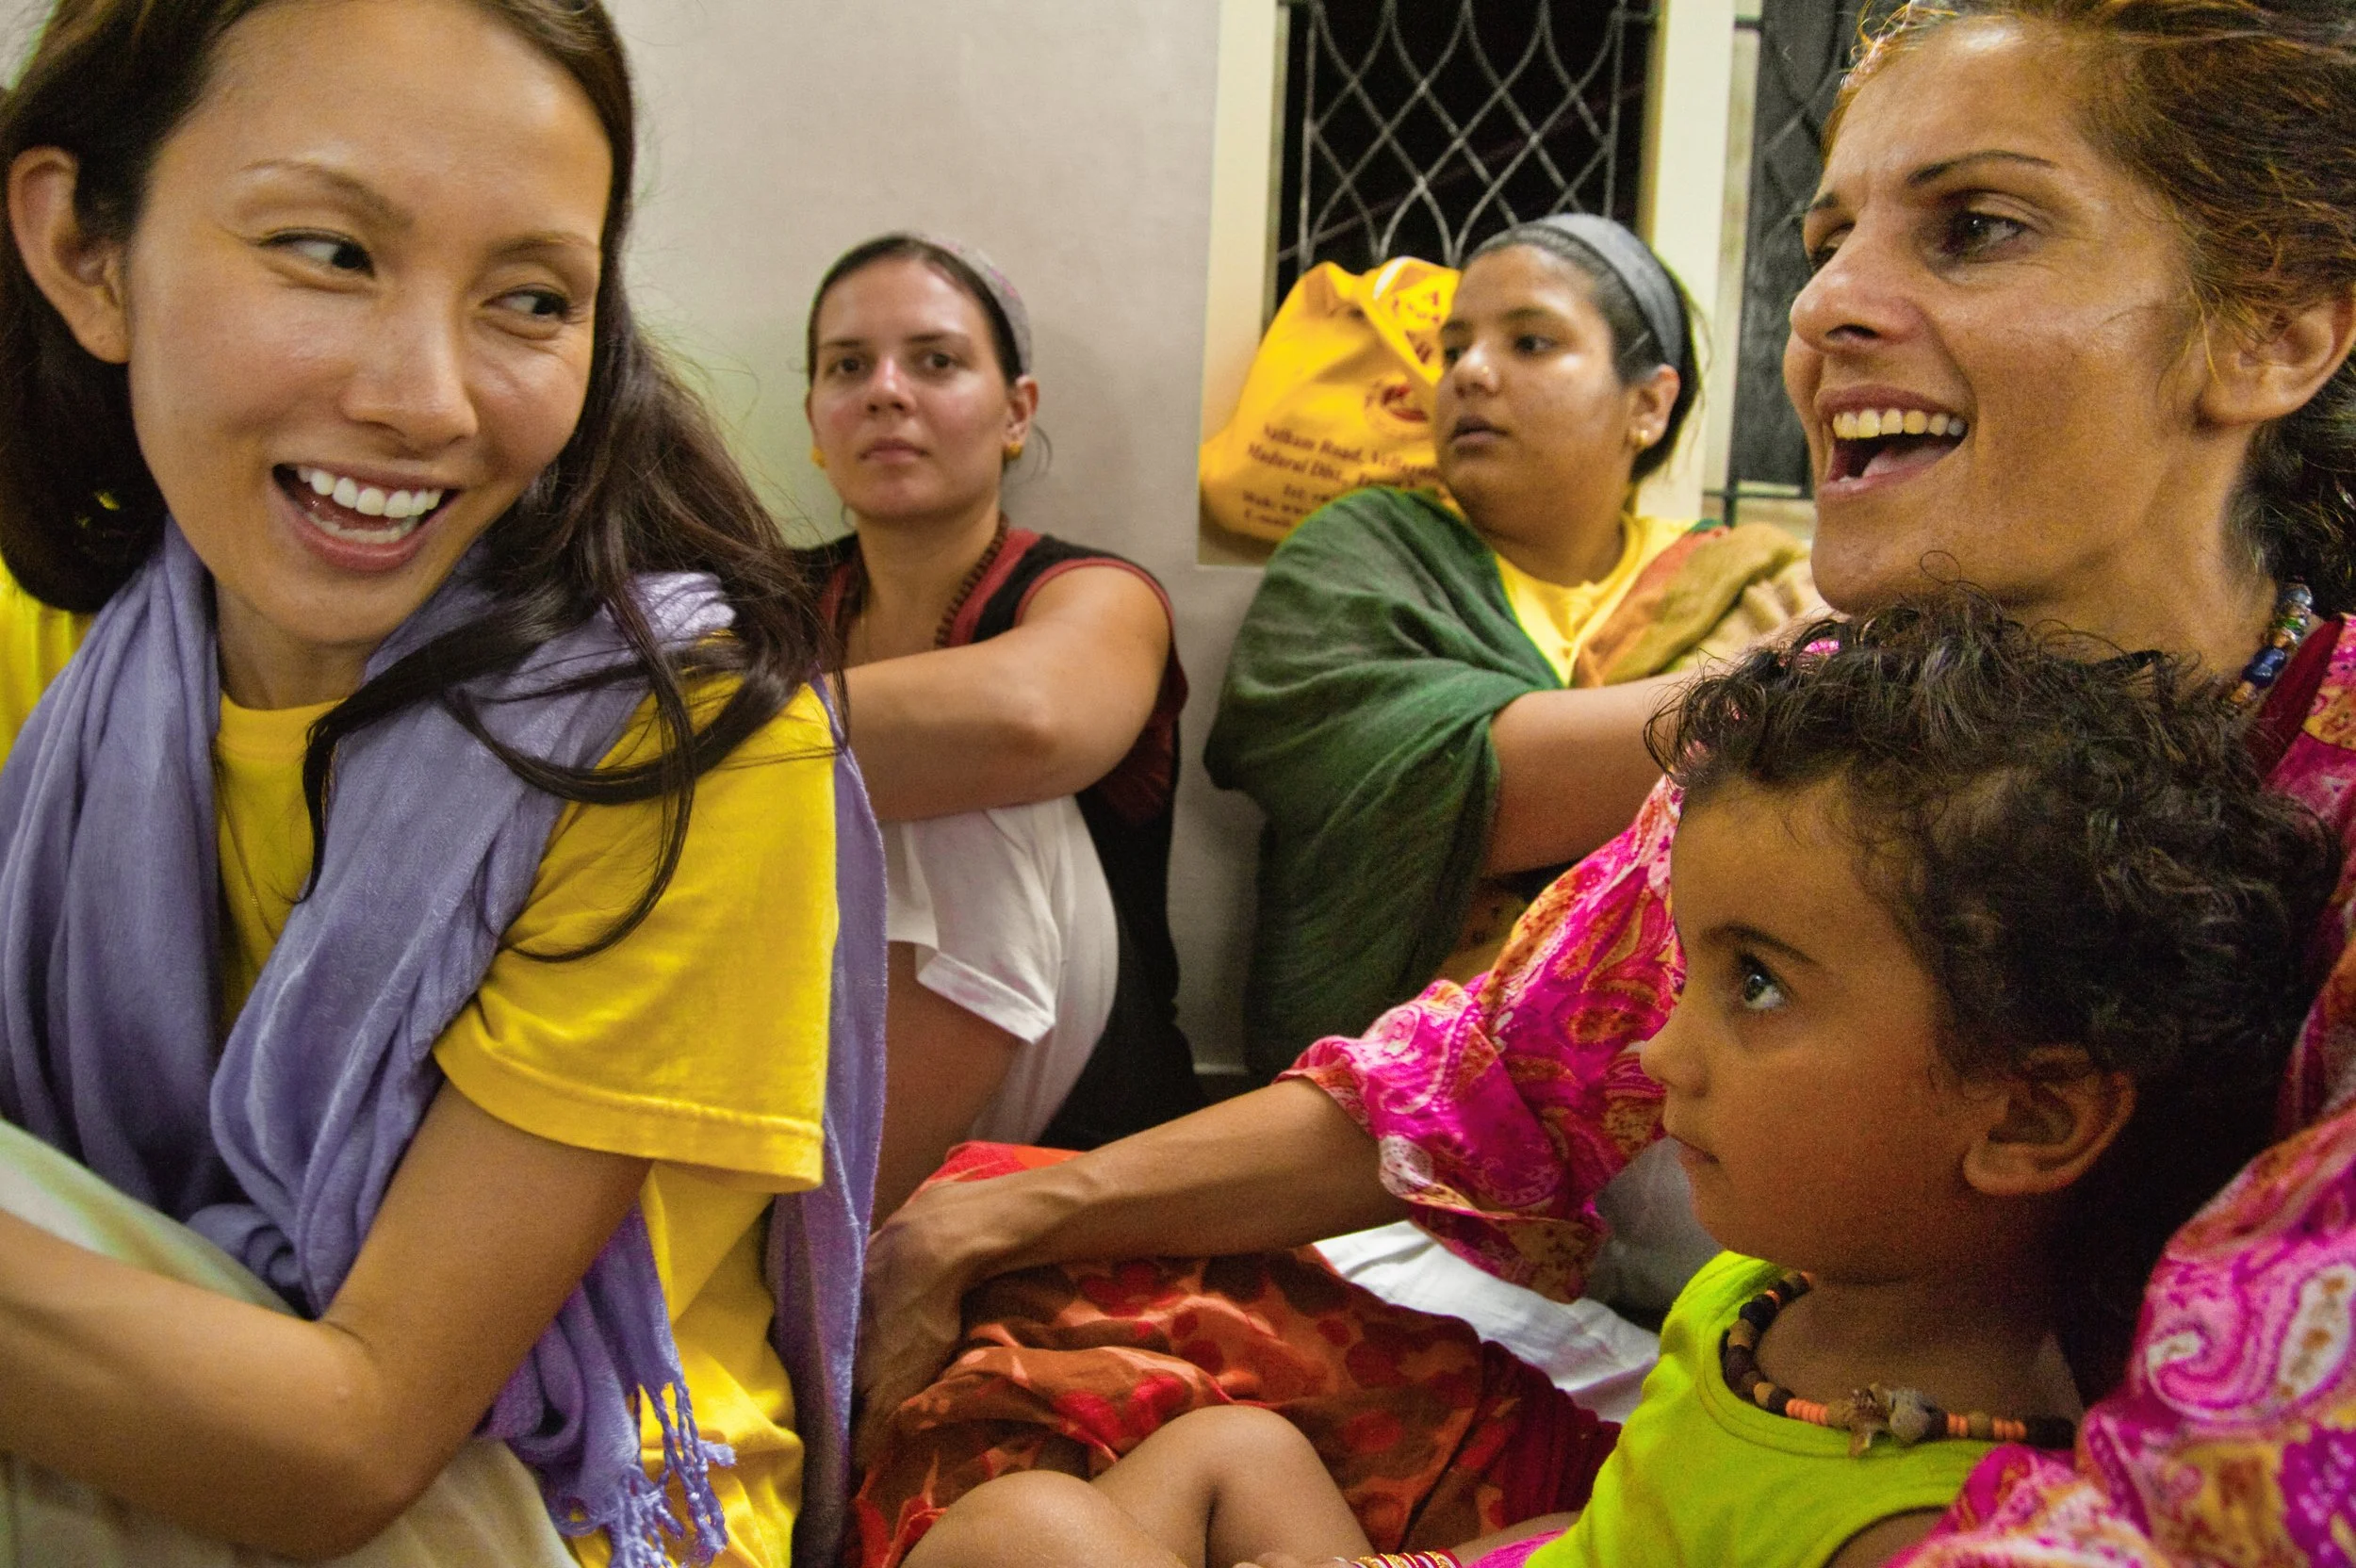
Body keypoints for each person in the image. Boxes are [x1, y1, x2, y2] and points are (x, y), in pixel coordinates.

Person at [855, 0, 2356, 1560]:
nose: (1829, 302)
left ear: (2274, 330)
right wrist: (1007, 1214)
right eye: (1828, 234)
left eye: (1975, 225)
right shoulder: (1831, 712)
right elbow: (1488, 1081)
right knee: (1023, 1299)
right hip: (1750, 1450)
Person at [887, 596, 2338, 1568]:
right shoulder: (1762, 1297)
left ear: (2028, 1111)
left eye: (1756, 983)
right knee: (1220, 1447)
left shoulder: (1912, 1527)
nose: (1656, 1050)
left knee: (1038, 1541)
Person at [0, 3, 886, 1567]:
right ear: (84, 249)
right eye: (328, 250)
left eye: (529, 297)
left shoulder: (682, 736)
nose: (429, 400)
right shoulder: (68, 636)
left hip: (563, 1495)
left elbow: (356, 1440)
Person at [1205, 214, 1821, 1071]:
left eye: (1530, 343)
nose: (1471, 374)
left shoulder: (1753, 580)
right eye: (1452, 349)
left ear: (1648, 403)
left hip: (1676, 1093)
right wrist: (1768, 688)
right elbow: (1450, 792)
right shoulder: (1361, 555)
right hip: (1380, 1102)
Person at [798, 234, 1202, 1218]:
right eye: (848, 366)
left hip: (1075, 1104)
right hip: (805, 1046)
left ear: (1016, 412)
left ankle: (822, 1263)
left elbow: (1029, 720)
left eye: (934, 361)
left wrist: (668, 742)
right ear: (814, 419)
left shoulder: (1093, 592)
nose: (886, 391)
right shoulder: (765, 600)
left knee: (956, 765)